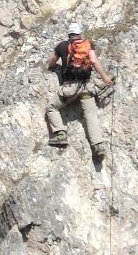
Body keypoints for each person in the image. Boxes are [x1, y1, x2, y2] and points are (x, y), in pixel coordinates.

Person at [46, 22, 114, 159]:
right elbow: (94, 61)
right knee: (91, 115)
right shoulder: (88, 45)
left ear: (69, 34)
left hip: (69, 88)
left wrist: (57, 57)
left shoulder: (62, 46)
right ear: (80, 34)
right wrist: (105, 77)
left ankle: (60, 134)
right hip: (86, 87)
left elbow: (51, 62)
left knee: (51, 107)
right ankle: (98, 146)